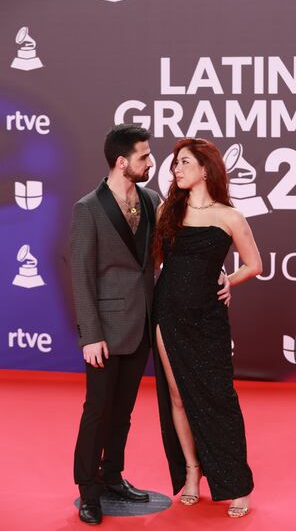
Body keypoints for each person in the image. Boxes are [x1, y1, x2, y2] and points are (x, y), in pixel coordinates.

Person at [152, 138, 262, 518]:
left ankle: (237, 484)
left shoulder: (230, 216)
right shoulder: (168, 208)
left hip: (208, 320)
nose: (176, 169)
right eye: (175, 164)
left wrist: (229, 279)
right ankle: (192, 472)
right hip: (166, 312)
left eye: (184, 162)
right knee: (177, 397)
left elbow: (255, 264)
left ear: (205, 168)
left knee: (220, 398)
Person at [69, 124, 161, 525]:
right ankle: (88, 490)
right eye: (144, 156)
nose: (151, 162)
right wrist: (91, 336)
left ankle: (112, 476)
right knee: (98, 411)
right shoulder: (88, 208)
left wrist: (216, 275)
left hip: (141, 324)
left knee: (123, 411)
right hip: (104, 332)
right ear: (122, 162)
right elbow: (82, 276)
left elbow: (165, 255)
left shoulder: (153, 200)